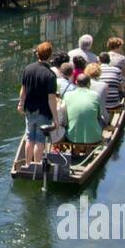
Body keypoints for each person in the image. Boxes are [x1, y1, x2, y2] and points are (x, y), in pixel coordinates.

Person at [16, 41, 60, 171]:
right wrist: (56, 119)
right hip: (43, 111)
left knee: (29, 137)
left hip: (29, 109)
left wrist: (21, 104)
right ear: (50, 56)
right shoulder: (50, 75)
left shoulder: (28, 69)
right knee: (40, 140)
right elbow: (51, 98)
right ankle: (37, 166)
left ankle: (27, 165)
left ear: (38, 54)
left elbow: (23, 89)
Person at [63, 73, 107, 145]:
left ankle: (76, 152)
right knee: (101, 120)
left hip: (72, 137)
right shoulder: (95, 95)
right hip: (94, 138)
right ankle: (88, 151)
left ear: (76, 82)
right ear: (89, 83)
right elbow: (99, 116)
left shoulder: (67, 95)